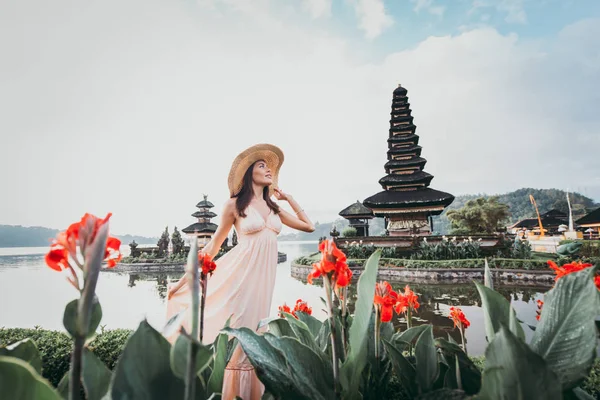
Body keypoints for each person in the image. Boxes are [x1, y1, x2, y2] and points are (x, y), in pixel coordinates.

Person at [164, 143, 315, 399]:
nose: (268, 170)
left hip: (263, 279)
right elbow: (214, 245)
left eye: (270, 167)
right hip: (240, 275)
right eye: (262, 165)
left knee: (257, 331)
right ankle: (236, 394)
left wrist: (289, 199)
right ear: (248, 173)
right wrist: (185, 279)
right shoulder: (233, 206)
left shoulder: (275, 208)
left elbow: (308, 227)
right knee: (243, 334)